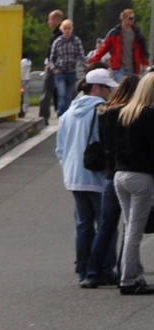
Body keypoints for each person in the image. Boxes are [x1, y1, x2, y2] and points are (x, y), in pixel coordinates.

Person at [56, 68, 116, 285]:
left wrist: (68, 169)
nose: (110, 93)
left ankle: (82, 268)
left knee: (83, 224)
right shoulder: (102, 112)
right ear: (97, 87)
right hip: (97, 175)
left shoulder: (67, 114)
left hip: (73, 176)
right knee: (106, 224)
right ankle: (102, 268)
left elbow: (60, 149)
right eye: (107, 88)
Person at [87, 73, 141, 285]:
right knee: (131, 225)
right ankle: (125, 270)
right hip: (130, 171)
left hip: (111, 175)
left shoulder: (106, 112)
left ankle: (92, 272)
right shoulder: (131, 115)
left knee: (106, 226)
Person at [112, 73, 154, 293]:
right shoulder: (150, 115)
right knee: (135, 231)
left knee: (130, 227)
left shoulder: (125, 113)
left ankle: (135, 275)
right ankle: (128, 280)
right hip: (141, 176)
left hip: (120, 174)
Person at [87, 9, 149, 84]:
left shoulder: (137, 34)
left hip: (133, 69)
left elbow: (143, 50)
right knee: (121, 90)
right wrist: (93, 61)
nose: (132, 20)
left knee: (131, 92)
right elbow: (104, 49)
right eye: (130, 18)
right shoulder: (114, 33)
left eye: (133, 18)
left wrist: (145, 63)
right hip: (119, 69)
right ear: (123, 18)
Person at [49, 20, 87, 109]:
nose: (67, 31)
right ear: (62, 30)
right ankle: (61, 114)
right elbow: (52, 58)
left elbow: (81, 56)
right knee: (62, 94)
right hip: (60, 72)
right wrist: (54, 69)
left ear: (72, 29)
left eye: (69, 28)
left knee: (70, 96)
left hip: (71, 72)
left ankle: (68, 114)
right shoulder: (57, 42)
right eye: (65, 28)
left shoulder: (76, 41)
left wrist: (87, 67)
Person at [40, 10, 65, 123]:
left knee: (47, 92)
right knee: (59, 93)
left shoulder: (58, 35)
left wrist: (50, 64)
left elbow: (53, 53)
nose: (49, 22)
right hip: (61, 68)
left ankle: (43, 116)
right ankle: (60, 114)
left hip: (54, 68)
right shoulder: (59, 33)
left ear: (56, 20)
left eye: (50, 19)